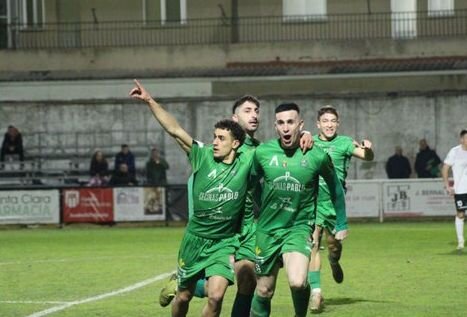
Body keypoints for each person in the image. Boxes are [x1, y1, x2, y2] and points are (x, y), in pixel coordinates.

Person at [159, 96, 313, 317]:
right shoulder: (217, 148)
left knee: (247, 281)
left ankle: (188, 284)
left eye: (257, 110)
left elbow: (287, 151)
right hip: (222, 229)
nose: (254, 115)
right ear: (234, 117)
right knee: (227, 284)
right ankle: (185, 284)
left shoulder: (261, 150)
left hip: (248, 227)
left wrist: (305, 136)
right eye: (248, 110)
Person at [130, 79, 255, 317]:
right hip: (194, 241)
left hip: (224, 242)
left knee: (216, 296)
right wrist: (149, 101)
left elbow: (279, 150)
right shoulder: (202, 155)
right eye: (214, 137)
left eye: (221, 139)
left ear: (235, 144)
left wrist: (307, 135)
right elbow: (174, 129)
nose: (215, 142)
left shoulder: (248, 160)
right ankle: (178, 285)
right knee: (184, 296)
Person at [250, 103, 347, 317]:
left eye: (291, 122)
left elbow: (335, 188)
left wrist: (342, 222)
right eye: (281, 123)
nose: (286, 128)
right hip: (267, 230)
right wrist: (259, 208)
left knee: (297, 282)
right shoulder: (263, 153)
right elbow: (251, 183)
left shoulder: (316, 155)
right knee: (265, 290)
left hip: (298, 228)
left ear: (300, 125)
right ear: (275, 126)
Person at [308, 105, 374, 312]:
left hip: (335, 204)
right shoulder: (310, 142)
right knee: (312, 245)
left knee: (333, 246)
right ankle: (316, 293)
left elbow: (367, 157)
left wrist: (368, 148)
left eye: (332, 121)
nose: (329, 124)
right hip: (312, 202)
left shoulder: (345, 143)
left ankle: (334, 261)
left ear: (338, 123)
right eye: (325, 121)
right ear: (318, 124)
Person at [442, 129, 467, 251]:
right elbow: (445, 168)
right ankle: (461, 242)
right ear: (461, 139)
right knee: (461, 214)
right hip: (461, 190)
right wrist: (447, 186)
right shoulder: (455, 152)